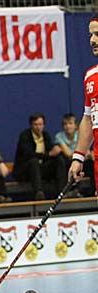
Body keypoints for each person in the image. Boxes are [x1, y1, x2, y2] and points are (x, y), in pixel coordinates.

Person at [13, 112, 69, 201]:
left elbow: (52, 151)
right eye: (35, 124)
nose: (38, 127)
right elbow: (29, 155)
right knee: (34, 161)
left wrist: (57, 151)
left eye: (40, 124)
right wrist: (48, 154)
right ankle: (39, 192)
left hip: (42, 169)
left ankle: (62, 192)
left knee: (59, 160)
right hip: (27, 171)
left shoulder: (45, 135)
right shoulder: (25, 136)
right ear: (31, 125)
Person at [70, 15, 98, 191]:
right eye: (91, 35)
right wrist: (78, 157)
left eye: (97, 34)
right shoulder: (90, 76)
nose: (92, 40)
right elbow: (88, 119)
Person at [55, 113, 94, 196]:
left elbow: (86, 151)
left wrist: (86, 154)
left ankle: (94, 191)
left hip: (82, 162)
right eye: (65, 124)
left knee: (91, 163)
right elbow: (69, 154)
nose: (67, 126)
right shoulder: (59, 137)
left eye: (70, 123)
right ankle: (66, 192)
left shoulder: (80, 134)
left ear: (76, 126)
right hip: (67, 164)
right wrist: (81, 155)